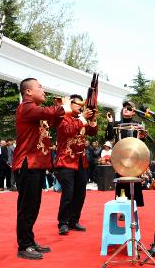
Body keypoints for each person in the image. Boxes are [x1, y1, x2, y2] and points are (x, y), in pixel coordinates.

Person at [12, 78, 72, 260]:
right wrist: (65, 106)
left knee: (34, 206)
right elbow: (49, 112)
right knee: (26, 207)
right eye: (40, 87)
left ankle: (29, 241)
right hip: (27, 163)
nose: (44, 90)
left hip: (36, 164)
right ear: (28, 91)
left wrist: (63, 110)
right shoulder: (26, 107)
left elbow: (54, 119)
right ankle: (24, 245)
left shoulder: (37, 111)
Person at [55, 94, 97, 235]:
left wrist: (92, 119)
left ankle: (74, 221)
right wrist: (83, 118)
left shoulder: (81, 119)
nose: (80, 107)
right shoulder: (62, 117)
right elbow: (68, 131)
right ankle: (63, 222)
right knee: (68, 193)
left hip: (81, 161)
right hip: (66, 160)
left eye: (81, 104)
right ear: (70, 103)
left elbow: (92, 132)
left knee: (80, 193)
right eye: (78, 104)